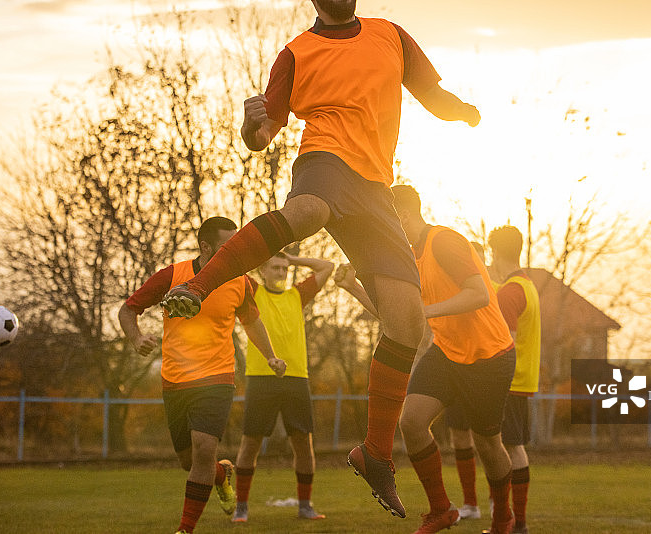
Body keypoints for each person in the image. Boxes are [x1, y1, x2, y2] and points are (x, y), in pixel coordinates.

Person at [159, 0, 480, 519]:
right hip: (324, 159)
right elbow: (264, 137)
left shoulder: (391, 36)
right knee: (308, 209)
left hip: (376, 189)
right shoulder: (295, 54)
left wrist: (462, 111)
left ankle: (375, 455)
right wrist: (250, 125)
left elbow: (432, 95)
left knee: (406, 321)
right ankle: (197, 288)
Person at [336, 184, 516, 534]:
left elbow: (479, 294)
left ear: (401, 216)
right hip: (448, 352)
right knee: (412, 422)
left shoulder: (444, 242)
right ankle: (441, 510)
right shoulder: (406, 256)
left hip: (490, 356)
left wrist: (427, 310)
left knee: (488, 445)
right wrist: (353, 288)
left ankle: (503, 519)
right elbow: (396, 315)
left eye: (386, 219)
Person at [118, 217, 286, 534]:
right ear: (205, 246)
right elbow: (128, 310)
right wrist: (137, 339)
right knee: (189, 460)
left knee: (203, 448)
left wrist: (272, 356)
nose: (236, 253)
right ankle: (221, 475)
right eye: (228, 246)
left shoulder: (240, 280)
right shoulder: (173, 276)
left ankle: (185, 528)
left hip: (217, 377)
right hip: (175, 380)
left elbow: (252, 322)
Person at [446, 227, 541, 534]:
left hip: (508, 381)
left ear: (496, 252)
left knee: (507, 449)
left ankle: (516, 522)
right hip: (520, 380)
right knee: (509, 447)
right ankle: (515, 521)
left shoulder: (510, 292)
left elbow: (505, 343)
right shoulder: (526, 285)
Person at [231, 251, 334, 523]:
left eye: (284, 269)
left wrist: (294, 259)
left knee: (303, 443)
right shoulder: (252, 291)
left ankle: (305, 505)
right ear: (263, 271)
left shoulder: (297, 295)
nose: (280, 273)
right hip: (260, 377)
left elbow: (328, 266)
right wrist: (263, 254)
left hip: (296, 378)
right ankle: (241, 507)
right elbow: (236, 266)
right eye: (275, 268)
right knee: (250, 443)